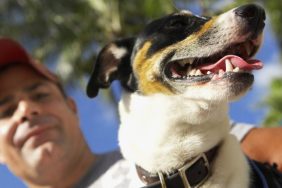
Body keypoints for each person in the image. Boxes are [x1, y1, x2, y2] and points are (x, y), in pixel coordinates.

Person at [0, 37, 281, 188]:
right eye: (6, 110)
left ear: (72, 108)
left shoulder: (162, 151)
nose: (27, 109)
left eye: (40, 95)